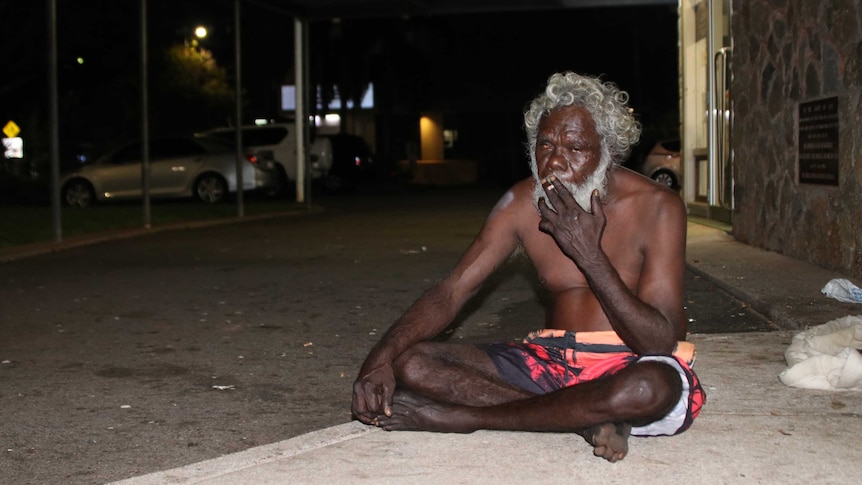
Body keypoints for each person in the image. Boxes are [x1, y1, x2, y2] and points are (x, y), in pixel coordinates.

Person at [351, 72, 705, 462]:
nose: (555, 161)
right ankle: (582, 420)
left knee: (648, 387)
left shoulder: (658, 207)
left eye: (576, 148)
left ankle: (472, 417)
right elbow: (451, 292)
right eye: (546, 144)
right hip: (547, 363)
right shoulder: (521, 202)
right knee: (412, 362)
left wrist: (590, 257)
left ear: (608, 151)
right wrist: (378, 360)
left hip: (627, 364)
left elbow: (660, 341)